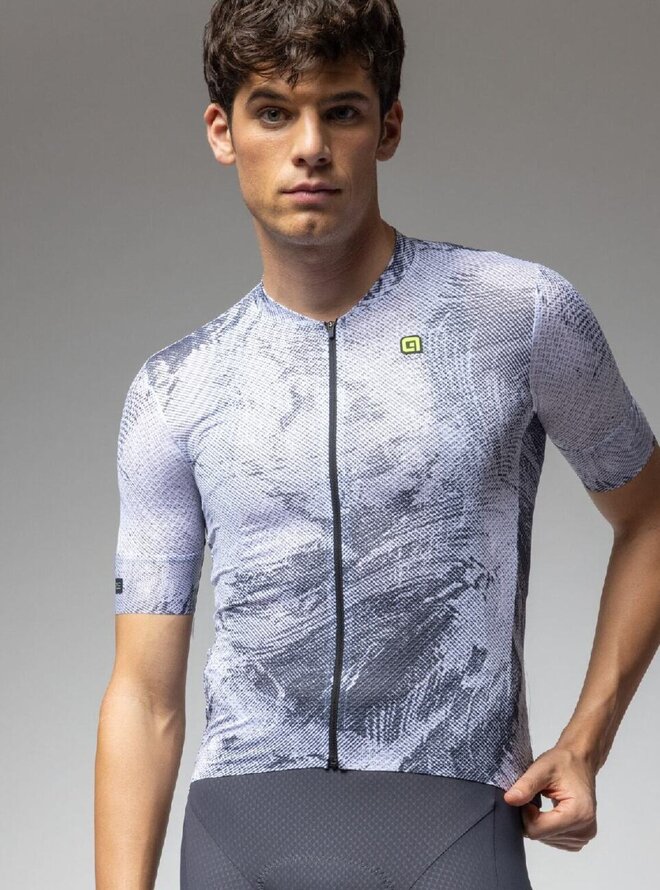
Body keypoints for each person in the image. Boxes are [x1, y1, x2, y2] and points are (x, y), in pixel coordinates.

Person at [95, 2, 660, 888]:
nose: (310, 146)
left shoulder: (515, 315)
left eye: (342, 111)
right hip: (239, 836)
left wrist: (586, 740)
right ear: (223, 132)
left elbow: (650, 516)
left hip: (454, 825)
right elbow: (143, 693)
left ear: (387, 127)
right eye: (274, 112)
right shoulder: (176, 389)